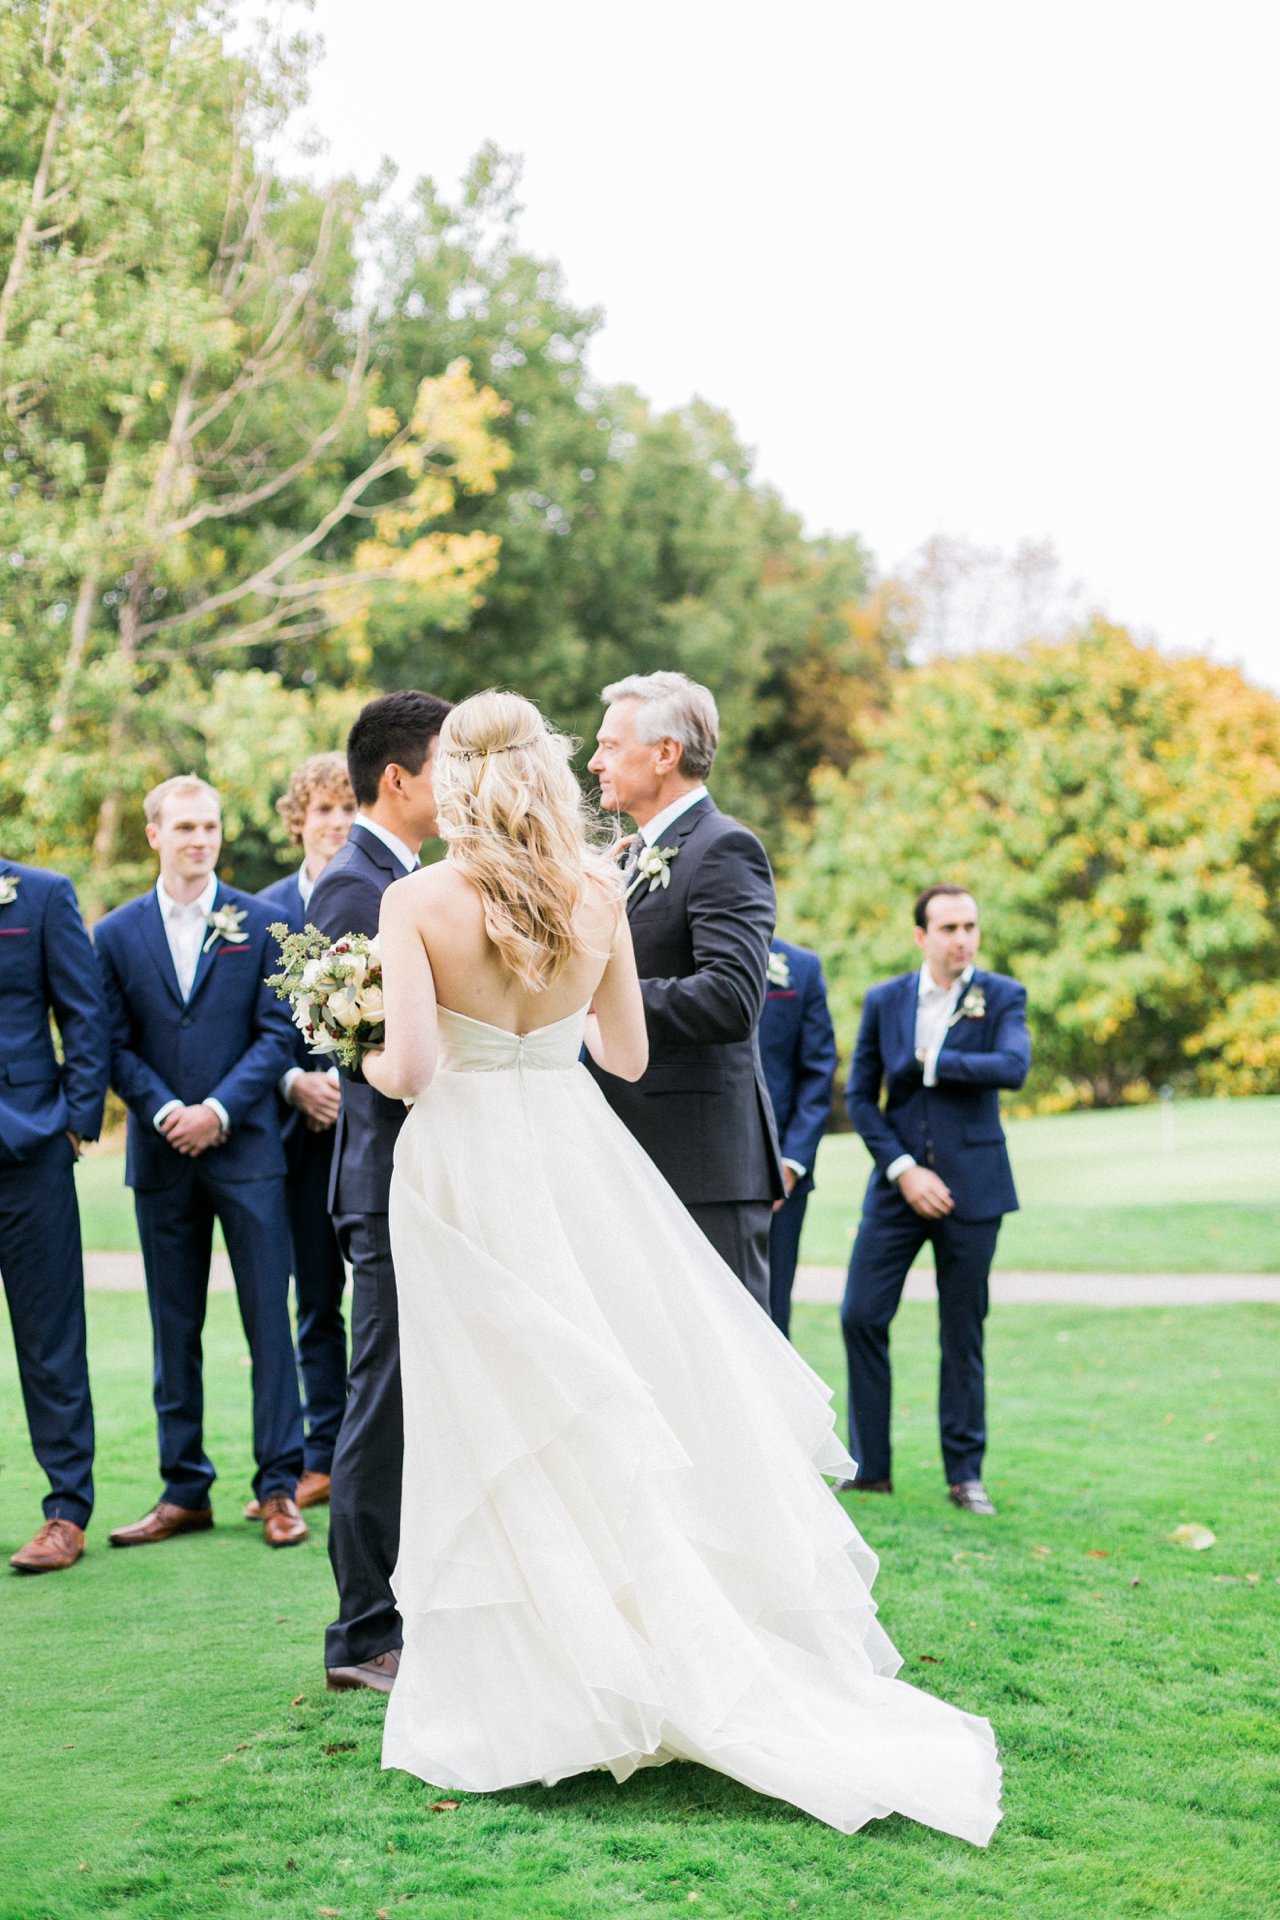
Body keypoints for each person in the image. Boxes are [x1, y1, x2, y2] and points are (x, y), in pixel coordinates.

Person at [363, 689, 1001, 1846]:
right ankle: (648, 1654)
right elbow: (627, 1049)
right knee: (600, 1402)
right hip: (573, 1156)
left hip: (463, 1171)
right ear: (548, 773)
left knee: (497, 1420)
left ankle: (544, 1694)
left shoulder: (416, 900)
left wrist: (367, 1046)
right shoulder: (596, 890)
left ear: (451, 777)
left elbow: (408, 1071)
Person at [95, 776, 308, 1549]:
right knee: (172, 1325)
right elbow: (112, 1042)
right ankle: (183, 1488)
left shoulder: (266, 921)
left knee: (266, 1323)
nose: (200, 839)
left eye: (210, 825)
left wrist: (217, 1109)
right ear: (153, 833)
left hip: (247, 1150)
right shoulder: (115, 935)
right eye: (185, 825)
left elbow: (277, 1036)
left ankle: (279, 1488)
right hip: (160, 1156)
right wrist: (163, 1113)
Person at [309, 691, 452, 1695]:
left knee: (417, 1398)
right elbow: (364, 1052)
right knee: (383, 1401)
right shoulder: (356, 889)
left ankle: (409, 1604)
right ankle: (361, 1632)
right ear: (396, 778)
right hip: (387, 1179)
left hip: (429, 1176)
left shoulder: (403, 877)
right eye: (446, 766)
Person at [584, 672, 784, 1310]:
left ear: (665, 753)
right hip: (633, 1148)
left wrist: (598, 998)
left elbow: (730, 997)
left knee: (727, 1375)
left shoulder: (724, 848)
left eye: (611, 746)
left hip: (703, 1161)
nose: (595, 762)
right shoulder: (628, 856)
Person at [839, 885, 1030, 1516]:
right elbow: (862, 1097)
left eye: (971, 925)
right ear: (921, 936)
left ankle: (965, 1474)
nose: (963, 938)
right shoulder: (885, 999)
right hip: (898, 1189)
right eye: (948, 927)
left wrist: (933, 1062)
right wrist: (902, 1170)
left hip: (974, 1190)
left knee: (962, 1331)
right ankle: (870, 1469)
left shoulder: (1000, 996)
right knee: (861, 1315)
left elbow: (1013, 1066)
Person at [244, 754, 358, 1521]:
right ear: (299, 819)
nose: (336, 822)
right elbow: (244, 1023)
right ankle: (322, 1454)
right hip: (295, 1133)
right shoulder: (263, 912)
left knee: (388, 1292)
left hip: (376, 1122)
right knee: (314, 1299)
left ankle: (385, 1446)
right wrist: (295, 1083)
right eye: (322, 810)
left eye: (348, 808)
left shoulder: (385, 893)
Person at [1, 857, 109, 1574]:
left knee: (50, 1338)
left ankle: (66, 1511)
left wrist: (77, 1117)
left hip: (28, 1146)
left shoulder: (39, 894)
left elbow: (83, 1008)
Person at [758, 936, 838, 1337]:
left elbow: (817, 1073)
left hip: (780, 1178)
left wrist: (790, 1164)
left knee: (772, 1313)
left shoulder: (801, 968)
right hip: (696, 1164)